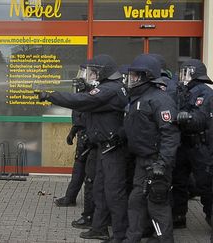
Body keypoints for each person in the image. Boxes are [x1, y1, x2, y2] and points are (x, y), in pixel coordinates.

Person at [37, 54, 129, 242]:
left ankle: (120, 235)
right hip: (105, 148)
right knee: (100, 190)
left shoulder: (110, 89)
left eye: (94, 72)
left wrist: (50, 96)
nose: (91, 75)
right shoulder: (110, 88)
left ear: (104, 72)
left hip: (112, 150)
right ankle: (99, 229)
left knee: (114, 194)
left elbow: (81, 102)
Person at [123, 54, 180, 243]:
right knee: (136, 201)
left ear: (147, 76)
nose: (132, 80)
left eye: (136, 76)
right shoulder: (138, 98)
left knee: (157, 205)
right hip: (142, 161)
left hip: (157, 163)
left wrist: (162, 164)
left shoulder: (160, 100)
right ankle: (133, 238)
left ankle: (164, 240)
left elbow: (170, 135)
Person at [171, 59, 213, 229]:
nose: (182, 77)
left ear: (194, 73)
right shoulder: (183, 91)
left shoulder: (205, 93)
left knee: (205, 183)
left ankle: (210, 213)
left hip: (199, 145)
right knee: (179, 181)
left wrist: (187, 117)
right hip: (183, 143)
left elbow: (200, 117)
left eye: (185, 73)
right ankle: (178, 215)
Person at [54, 64, 89, 207]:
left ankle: (73, 199)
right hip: (83, 135)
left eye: (85, 73)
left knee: (82, 171)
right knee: (79, 169)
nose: (81, 76)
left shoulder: (93, 95)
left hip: (89, 138)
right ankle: (71, 197)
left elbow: (88, 118)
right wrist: (73, 131)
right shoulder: (82, 94)